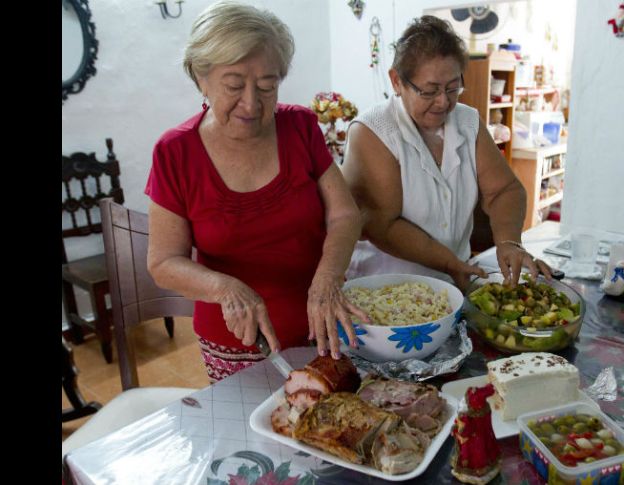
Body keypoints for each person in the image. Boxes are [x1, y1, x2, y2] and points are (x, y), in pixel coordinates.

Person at [145, 1, 367, 381]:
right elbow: (163, 263)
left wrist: (328, 278)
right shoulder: (175, 152)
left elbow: (345, 213)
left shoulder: (299, 126)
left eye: (267, 86)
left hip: (325, 326)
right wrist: (224, 288)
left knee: (336, 426)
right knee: (254, 436)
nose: (251, 103)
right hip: (237, 342)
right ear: (201, 76)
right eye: (234, 85)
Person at [341, 15, 553, 292]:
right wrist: (451, 264)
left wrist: (508, 242)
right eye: (429, 91)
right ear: (396, 81)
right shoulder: (374, 131)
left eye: (453, 88)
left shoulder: (467, 122)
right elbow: (381, 224)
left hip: (451, 283)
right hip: (383, 290)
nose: (443, 102)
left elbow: (504, 190)